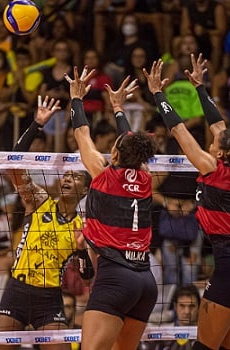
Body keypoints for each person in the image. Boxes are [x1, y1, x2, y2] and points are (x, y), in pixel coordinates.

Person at [144, 54, 230, 350]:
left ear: (221, 153)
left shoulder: (214, 169)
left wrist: (158, 94)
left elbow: (179, 130)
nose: (211, 143)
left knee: (204, 348)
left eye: (213, 144)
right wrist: (200, 87)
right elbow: (219, 125)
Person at [65, 66, 157, 349]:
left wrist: (76, 98)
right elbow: (132, 146)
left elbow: (82, 134)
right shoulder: (145, 178)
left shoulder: (103, 175)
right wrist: (118, 108)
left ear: (114, 154)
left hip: (116, 278)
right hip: (145, 281)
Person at [0, 95, 92, 350]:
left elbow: (87, 275)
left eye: (76, 177)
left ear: (85, 190)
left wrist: (81, 250)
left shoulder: (83, 226)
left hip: (49, 299)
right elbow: (14, 164)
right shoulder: (38, 201)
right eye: (66, 175)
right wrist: (36, 124)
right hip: (17, 289)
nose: (68, 179)